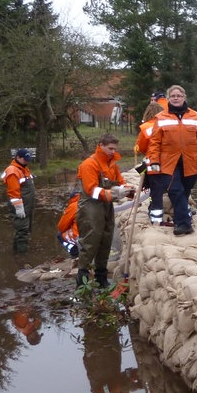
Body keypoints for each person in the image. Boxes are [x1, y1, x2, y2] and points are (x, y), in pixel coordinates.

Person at [147, 85, 197, 235]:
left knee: (185, 190)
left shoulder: (195, 117)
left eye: (179, 95)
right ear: (169, 99)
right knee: (176, 190)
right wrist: (154, 161)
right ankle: (183, 224)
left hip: (190, 162)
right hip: (169, 162)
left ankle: (181, 217)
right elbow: (154, 142)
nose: (176, 98)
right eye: (173, 96)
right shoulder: (161, 118)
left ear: (184, 97)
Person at [75, 133, 133, 289]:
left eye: (115, 149)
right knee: (90, 241)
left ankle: (101, 278)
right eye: (110, 148)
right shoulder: (89, 164)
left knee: (106, 240)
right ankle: (82, 279)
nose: (113, 152)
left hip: (106, 206)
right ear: (100, 145)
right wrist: (114, 193)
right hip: (90, 208)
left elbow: (121, 182)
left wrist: (129, 191)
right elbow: (91, 190)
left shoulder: (112, 165)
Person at [134, 102, 166, 223]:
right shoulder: (167, 125)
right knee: (174, 189)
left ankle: (155, 218)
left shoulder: (146, 128)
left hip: (153, 165)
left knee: (155, 192)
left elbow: (142, 146)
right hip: (170, 163)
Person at [1, 148, 35, 254]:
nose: (27, 161)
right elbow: (13, 192)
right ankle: (22, 256)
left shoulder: (23, 168)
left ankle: (16, 253)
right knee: (22, 230)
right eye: (25, 159)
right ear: (18, 157)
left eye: (28, 159)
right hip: (20, 206)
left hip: (27, 205)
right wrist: (19, 208)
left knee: (24, 229)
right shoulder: (13, 171)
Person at [56, 191, 80, 259]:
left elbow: (61, 226)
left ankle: (75, 253)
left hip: (81, 237)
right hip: (96, 234)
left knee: (60, 235)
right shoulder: (89, 203)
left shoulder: (73, 206)